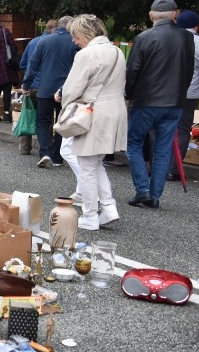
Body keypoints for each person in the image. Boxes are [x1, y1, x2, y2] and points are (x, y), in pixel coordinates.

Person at [124, 0, 194, 208]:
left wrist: (128, 95)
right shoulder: (186, 38)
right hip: (174, 101)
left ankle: (142, 189)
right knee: (163, 148)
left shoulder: (145, 37)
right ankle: (154, 195)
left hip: (146, 100)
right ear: (176, 14)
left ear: (151, 15)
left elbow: (133, 71)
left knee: (134, 143)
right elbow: (188, 70)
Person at [60, 15, 127, 230]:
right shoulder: (117, 51)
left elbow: (72, 88)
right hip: (114, 110)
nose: (74, 40)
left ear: (84, 33)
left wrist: (65, 106)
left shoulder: (86, 54)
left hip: (93, 112)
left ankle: (90, 215)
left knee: (87, 166)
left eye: (76, 36)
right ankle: (108, 207)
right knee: (95, 163)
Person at [21, 15, 77, 168]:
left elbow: (33, 65)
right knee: (62, 122)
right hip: (66, 89)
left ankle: (44, 152)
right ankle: (57, 156)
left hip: (45, 88)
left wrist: (26, 84)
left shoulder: (44, 41)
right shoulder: (74, 42)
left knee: (43, 121)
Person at [169, 10, 199, 180]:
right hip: (189, 92)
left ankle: (158, 167)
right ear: (196, 26)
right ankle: (174, 169)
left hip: (165, 91)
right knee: (183, 129)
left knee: (163, 127)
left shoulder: (170, 38)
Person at [18, 19, 58, 156]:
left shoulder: (32, 42)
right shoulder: (54, 43)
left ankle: (25, 148)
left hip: (30, 85)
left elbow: (23, 64)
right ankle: (46, 148)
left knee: (27, 114)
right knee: (45, 119)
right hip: (46, 87)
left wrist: (27, 81)